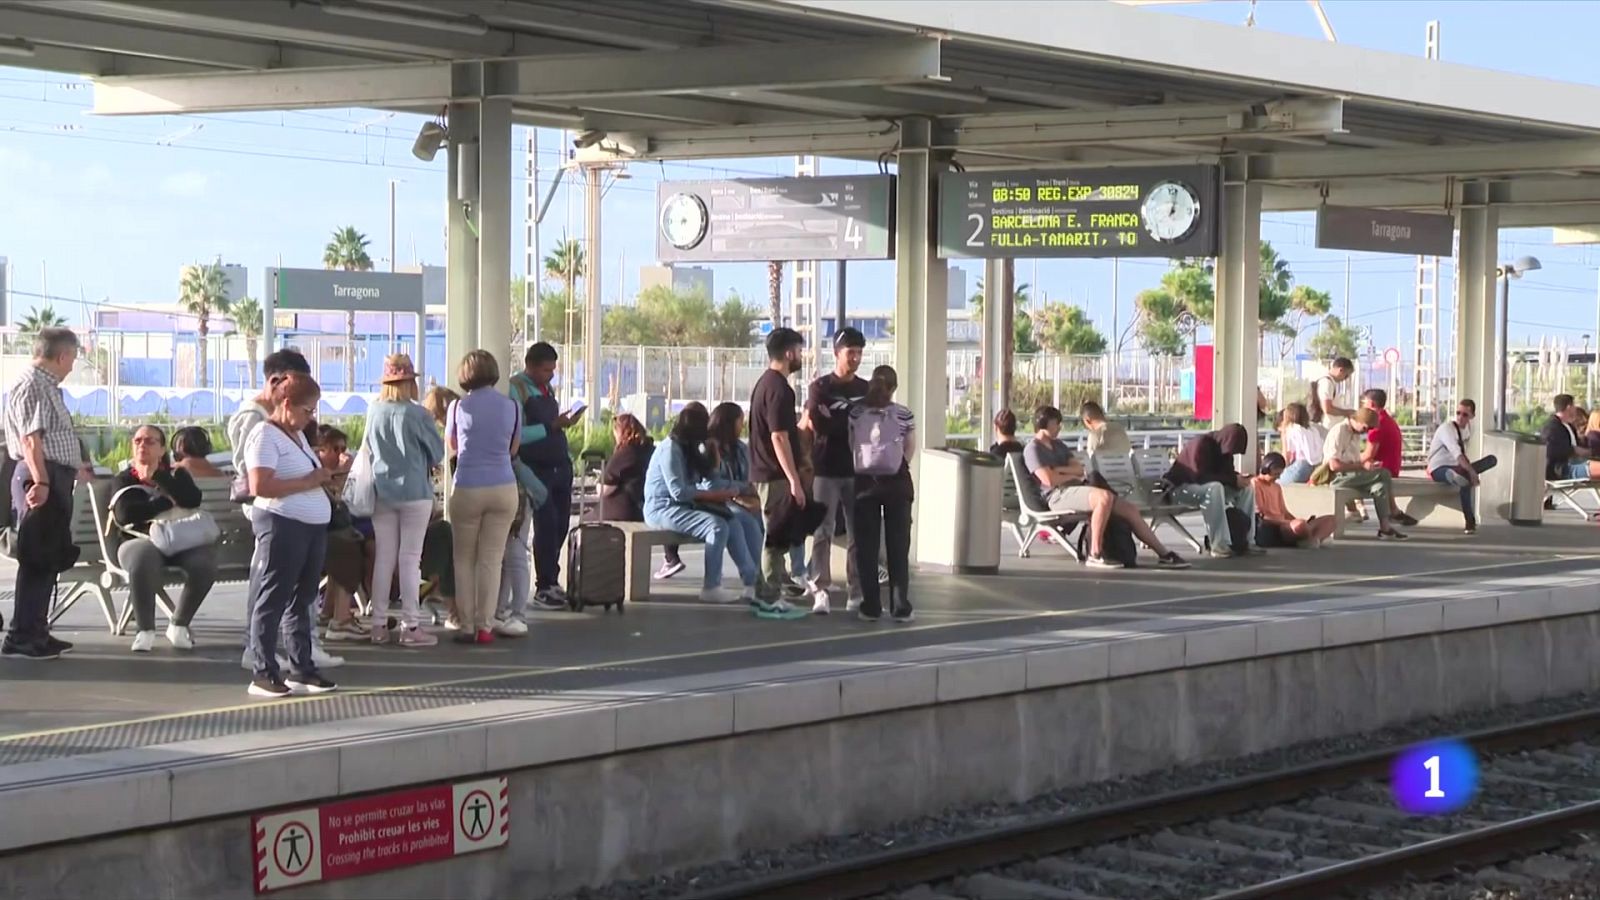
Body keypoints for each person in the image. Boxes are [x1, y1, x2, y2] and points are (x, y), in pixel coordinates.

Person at [228, 349, 342, 672]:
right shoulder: (259, 425)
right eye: (306, 408)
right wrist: (307, 481)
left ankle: (300, 653)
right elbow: (257, 480)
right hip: (277, 518)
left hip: (302, 521)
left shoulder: (292, 430)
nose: (310, 417)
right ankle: (259, 655)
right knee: (271, 588)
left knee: (296, 591)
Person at [2, 327, 90, 660]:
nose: (72, 365)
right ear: (63, 355)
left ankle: (37, 630)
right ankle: (22, 636)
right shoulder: (32, 384)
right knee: (37, 557)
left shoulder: (46, 386)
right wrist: (41, 481)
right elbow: (30, 440)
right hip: (42, 476)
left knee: (48, 555)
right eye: (73, 357)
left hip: (54, 474)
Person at [1024, 406, 1189, 569]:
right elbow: (1049, 479)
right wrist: (1070, 475)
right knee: (1104, 498)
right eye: (1056, 423)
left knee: (1129, 509)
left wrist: (1060, 470)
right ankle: (1095, 554)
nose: (1059, 427)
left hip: (1077, 489)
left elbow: (1079, 469)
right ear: (1046, 423)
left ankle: (1164, 554)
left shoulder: (1058, 445)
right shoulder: (1033, 449)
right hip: (1057, 496)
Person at [108, 424, 216, 652]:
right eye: (137, 441)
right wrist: (166, 502)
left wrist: (157, 476)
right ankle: (145, 630)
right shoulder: (125, 478)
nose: (142, 446)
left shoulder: (176, 473)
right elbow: (126, 514)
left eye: (150, 441)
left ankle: (179, 624)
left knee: (204, 563)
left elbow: (191, 499)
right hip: (138, 540)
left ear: (162, 448)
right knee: (143, 560)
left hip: (178, 539)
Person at [364, 354, 444, 647]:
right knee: (410, 560)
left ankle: (378, 624)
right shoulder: (418, 414)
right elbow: (437, 453)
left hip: (382, 491)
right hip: (414, 492)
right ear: (410, 382)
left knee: (384, 558)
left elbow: (369, 448)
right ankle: (411, 626)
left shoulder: (374, 411)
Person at [446, 350, 521, 645]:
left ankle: (466, 625)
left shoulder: (456, 407)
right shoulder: (513, 407)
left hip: (467, 486)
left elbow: (452, 444)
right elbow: (514, 449)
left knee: (464, 559)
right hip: (504, 487)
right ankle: (485, 626)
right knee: (491, 559)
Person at [642, 403, 748, 604]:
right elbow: (679, 492)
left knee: (728, 519)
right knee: (716, 527)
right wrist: (713, 496)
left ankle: (750, 578)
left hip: (682, 506)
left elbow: (707, 477)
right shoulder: (671, 449)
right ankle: (711, 587)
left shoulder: (689, 448)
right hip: (662, 507)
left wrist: (714, 458)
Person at [802, 327, 870, 615]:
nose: (854, 358)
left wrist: (838, 420)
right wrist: (843, 424)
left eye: (858, 353)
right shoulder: (820, 387)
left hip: (857, 470)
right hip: (825, 468)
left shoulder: (865, 389)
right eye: (849, 352)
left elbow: (869, 429)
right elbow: (820, 424)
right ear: (836, 353)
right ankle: (820, 589)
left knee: (858, 532)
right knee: (822, 531)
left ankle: (856, 590)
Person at [510, 343, 582, 611]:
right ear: (530, 365)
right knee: (546, 524)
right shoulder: (515, 389)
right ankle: (544, 584)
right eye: (545, 369)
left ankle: (552, 578)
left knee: (561, 523)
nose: (550, 375)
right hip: (535, 467)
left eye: (553, 370)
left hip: (559, 465)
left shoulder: (546, 389)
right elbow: (517, 434)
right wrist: (551, 426)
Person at [847, 366, 918, 622]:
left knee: (867, 547)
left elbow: (851, 444)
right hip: (897, 484)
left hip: (866, 484)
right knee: (898, 545)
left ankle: (871, 606)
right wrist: (898, 464)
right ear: (894, 387)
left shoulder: (856, 412)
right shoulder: (903, 414)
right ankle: (900, 606)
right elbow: (910, 447)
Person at [749, 327, 810, 603]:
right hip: (774, 475)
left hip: (768, 473)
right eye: (799, 350)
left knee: (776, 536)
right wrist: (794, 480)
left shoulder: (765, 384)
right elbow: (779, 436)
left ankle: (765, 591)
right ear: (788, 353)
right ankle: (770, 598)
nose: (801, 356)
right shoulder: (779, 389)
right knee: (775, 539)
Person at [1164, 423, 1263, 558]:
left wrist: (1238, 479)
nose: (1231, 453)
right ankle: (1218, 544)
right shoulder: (1200, 444)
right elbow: (1199, 476)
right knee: (1214, 488)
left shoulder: (1224, 451)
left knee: (1247, 488)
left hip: (1202, 487)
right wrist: (1233, 480)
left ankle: (1248, 540)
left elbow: (1225, 475)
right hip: (1179, 489)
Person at [310, 425, 371, 643]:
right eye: (335, 449)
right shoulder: (314, 470)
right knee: (347, 548)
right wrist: (341, 477)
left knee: (356, 542)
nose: (340, 454)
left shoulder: (329, 473)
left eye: (344, 449)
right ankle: (341, 620)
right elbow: (332, 500)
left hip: (329, 530)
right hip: (318, 533)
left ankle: (330, 612)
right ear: (320, 450)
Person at [706, 401, 766, 603]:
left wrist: (746, 492)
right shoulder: (709, 447)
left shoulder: (741, 448)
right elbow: (711, 483)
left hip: (741, 497)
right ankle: (753, 579)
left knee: (759, 516)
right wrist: (739, 488)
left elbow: (751, 478)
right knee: (745, 520)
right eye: (740, 421)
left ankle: (760, 576)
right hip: (717, 500)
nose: (743, 425)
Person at [1323, 408, 1408, 541]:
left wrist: (1367, 467)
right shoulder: (1339, 431)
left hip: (1352, 475)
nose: (1366, 431)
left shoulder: (1355, 434)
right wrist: (1361, 466)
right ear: (1356, 420)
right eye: (1366, 427)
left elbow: (1355, 460)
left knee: (1379, 487)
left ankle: (1385, 528)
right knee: (1384, 473)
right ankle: (1394, 510)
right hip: (1337, 477)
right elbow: (1334, 466)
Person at [1427, 399, 1497, 534]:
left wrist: (1468, 470)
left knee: (1488, 462)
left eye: (1465, 414)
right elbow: (1457, 453)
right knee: (1464, 479)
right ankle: (1469, 520)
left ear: (1472, 416)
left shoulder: (1469, 430)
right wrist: (1471, 472)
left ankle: (1458, 476)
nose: (1460, 417)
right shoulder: (1447, 429)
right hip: (1438, 468)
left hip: (1456, 467)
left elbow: (1462, 456)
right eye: (1458, 413)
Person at [1359, 389, 1418, 527]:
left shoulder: (1376, 424)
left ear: (1371, 404)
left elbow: (1368, 455)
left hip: (1384, 470)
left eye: (1363, 403)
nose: (1362, 407)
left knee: (1344, 471)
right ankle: (1393, 511)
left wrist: (1347, 460)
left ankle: (1355, 509)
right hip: (1392, 467)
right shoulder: (1387, 419)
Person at [1253, 452, 1336, 549]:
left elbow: (1285, 512)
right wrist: (1288, 522)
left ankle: (1313, 539)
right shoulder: (1255, 484)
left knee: (1331, 519)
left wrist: (1297, 520)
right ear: (1265, 470)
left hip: (1286, 523)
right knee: (1300, 525)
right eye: (1276, 474)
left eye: (1279, 474)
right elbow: (1261, 517)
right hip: (1274, 527)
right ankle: (1312, 538)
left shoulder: (1277, 487)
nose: (1278, 477)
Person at [1541, 394, 1591, 481]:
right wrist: (1573, 450)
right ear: (1569, 407)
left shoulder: (1568, 426)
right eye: (1574, 405)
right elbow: (1550, 450)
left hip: (1574, 463)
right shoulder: (1552, 427)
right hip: (1562, 469)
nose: (1575, 409)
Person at [1277, 402, 1323, 484]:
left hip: (1299, 467)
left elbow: (1286, 458)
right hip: (1313, 468)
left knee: (1276, 481)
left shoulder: (1291, 430)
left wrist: (1283, 436)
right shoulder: (1312, 430)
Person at [1308, 357, 1356, 426]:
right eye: (1346, 376)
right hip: (1327, 427)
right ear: (1341, 370)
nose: (1345, 379)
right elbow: (1327, 409)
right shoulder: (1327, 383)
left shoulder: (1330, 382)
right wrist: (1347, 412)